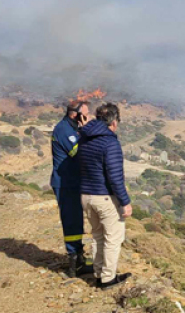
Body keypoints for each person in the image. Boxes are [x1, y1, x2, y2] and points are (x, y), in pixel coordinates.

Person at [78, 103, 133, 289]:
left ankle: (98, 273)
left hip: (86, 195)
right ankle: (108, 278)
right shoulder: (110, 142)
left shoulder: (84, 137)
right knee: (113, 238)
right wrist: (125, 202)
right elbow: (115, 177)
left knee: (98, 235)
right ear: (114, 122)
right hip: (104, 197)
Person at [50, 100, 94, 277]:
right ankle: (74, 264)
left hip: (73, 182)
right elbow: (80, 153)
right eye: (86, 114)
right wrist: (87, 130)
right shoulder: (64, 130)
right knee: (71, 221)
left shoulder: (72, 128)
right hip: (65, 183)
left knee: (77, 221)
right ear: (76, 115)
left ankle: (79, 258)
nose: (88, 117)